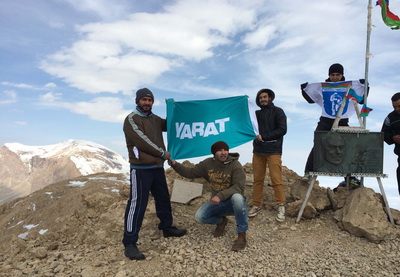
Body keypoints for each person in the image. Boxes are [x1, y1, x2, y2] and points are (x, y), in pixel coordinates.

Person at [122, 88, 187, 260]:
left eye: (150, 100)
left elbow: (170, 125)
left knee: (163, 199)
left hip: (157, 168)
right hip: (140, 169)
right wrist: (161, 153)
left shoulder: (155, 119)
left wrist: (172, 108)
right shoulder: (131, 119)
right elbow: (142, 141)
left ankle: (167, 228)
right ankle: (129, 242)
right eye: (144, 100)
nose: (147, 103)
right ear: (137, 101)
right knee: (137, 204)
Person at [169, 141, 248, 251]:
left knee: (238, 198)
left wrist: (220, 196)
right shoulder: (207, 164)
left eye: (225, 150)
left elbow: (239, 187)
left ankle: (241, 236)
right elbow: (190, 173)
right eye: (220, 150)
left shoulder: (235, 165)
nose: (223, 153)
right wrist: (175, 164)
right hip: (218, 203)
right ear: (214, 153)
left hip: (232, 204)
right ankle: (221, 221)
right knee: (200, 217)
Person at [301, 63, 365, 182]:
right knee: (318, 145)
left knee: (347, 147)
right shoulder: (324, 86)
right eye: (332, 75)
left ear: (342, 75)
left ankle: (350, 177)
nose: (335, 77)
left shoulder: (349, 87)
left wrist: (364, 85)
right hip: (325, 120)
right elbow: (310, 99)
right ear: (329, 75)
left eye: (338, 75)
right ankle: (308, 173)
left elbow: (362, 100)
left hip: (343, 120)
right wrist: (304, 89)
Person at [248, 89, 287, 222]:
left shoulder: (278, 111)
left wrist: (264, 136)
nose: (262, 100)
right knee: (257, 180)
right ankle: (256, 204)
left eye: (264, 97)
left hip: (274, 150)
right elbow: (247, 125)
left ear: (270, 98)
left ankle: (281, 205)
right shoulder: (255, 114)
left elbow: (282, 130)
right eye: (260, 98)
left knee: (276, 179)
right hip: (258, 150)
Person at [381, 92, 400, 195]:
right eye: (394, 107)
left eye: (399, 106)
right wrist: (392, 138)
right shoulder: (390, 117)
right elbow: (383, 134)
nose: (397, 109)